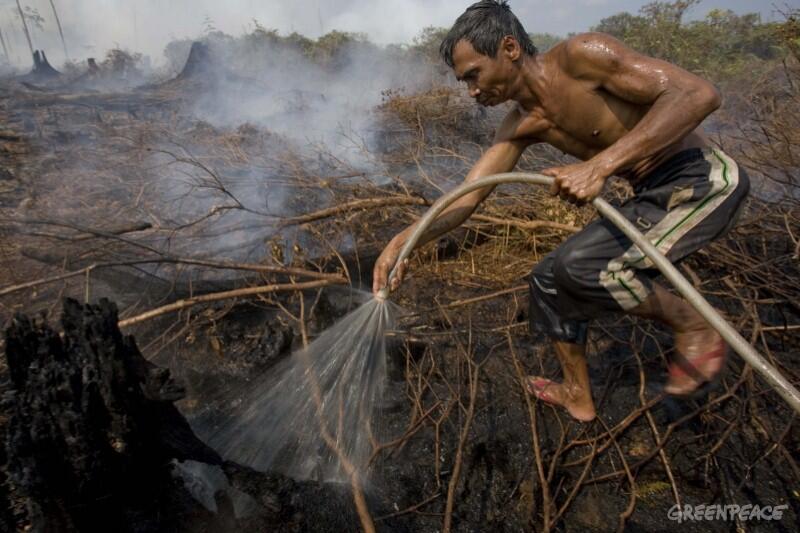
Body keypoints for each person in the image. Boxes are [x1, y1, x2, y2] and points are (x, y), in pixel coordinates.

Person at [371, 0, 749, 422]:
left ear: (509, 48)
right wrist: (403, 242)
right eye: (465, 83)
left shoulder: (583, 56)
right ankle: (576, 393)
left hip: (702, 180)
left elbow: (698, 94)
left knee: (581, 266)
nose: (473, 91)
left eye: (474, 75)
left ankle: (694, 325)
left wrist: (600, 166)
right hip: (650, 195)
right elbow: (466, 198)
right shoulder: (520, 126)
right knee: (548, 279)